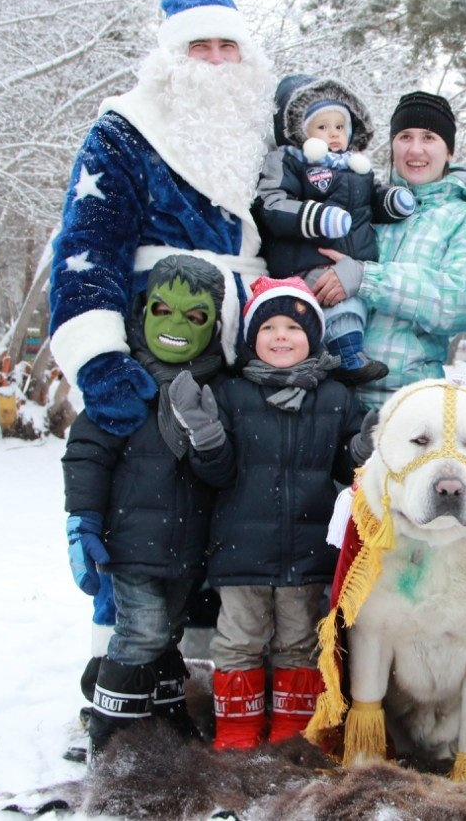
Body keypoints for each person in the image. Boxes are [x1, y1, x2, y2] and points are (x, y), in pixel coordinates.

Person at [49, 0, 274, 437]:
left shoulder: (264, 130)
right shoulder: (124, 131)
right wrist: (100, 359)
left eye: (227, 46)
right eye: (200, 46)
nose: (216, 60)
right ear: (173, 56)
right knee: (151, 493)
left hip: (252, 344)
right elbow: (89, 248)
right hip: (153, 335)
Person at [174, 276, 369, 750]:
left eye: (293, 327)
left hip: (306, 553)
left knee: (299, 645)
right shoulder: (231, 395)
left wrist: (368, 443)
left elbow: (348, 467)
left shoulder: (335, 399)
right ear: (250, 338)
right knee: (238, 642)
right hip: (240, 554)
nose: (281, 336)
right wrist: (206, 435)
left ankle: (291, 731)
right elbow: (215, 473)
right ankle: (237, 731)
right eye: (269, 327)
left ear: (314, 338)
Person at [62, 255, 229, 760]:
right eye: (164, 309)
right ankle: (110, 737)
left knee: (168, 632)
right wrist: (83, 519)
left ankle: (165, 717)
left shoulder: (217, 391)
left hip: (187, 547)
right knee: (141, 631)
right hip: (130, 545)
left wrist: (208, 437)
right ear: (144, 310)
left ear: (214, 324)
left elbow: (222, 472)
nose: (177, 325)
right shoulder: (120, 383)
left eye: (195, 316)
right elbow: (88, 453)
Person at [310, 91, 466, 410]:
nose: (415, 149)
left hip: (408, 403)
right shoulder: (364, 204)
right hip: (331, 401)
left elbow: (459, 302)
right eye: (405, 136)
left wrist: (367, 278)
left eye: (429, 137)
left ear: (449, 151)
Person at [253, 75, 418, 384]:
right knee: (335, 305)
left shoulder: (356, 169)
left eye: (339, 127)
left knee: (351, 302)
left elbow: (371, 201)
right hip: (306, 260)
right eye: (322, 127)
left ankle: (346, 353)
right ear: (301, 131)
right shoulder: (290, 161)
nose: (333, 135)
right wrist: (316, 218)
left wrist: (392, 201)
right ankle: (346, 354)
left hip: (349, 265)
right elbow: (272, 205)